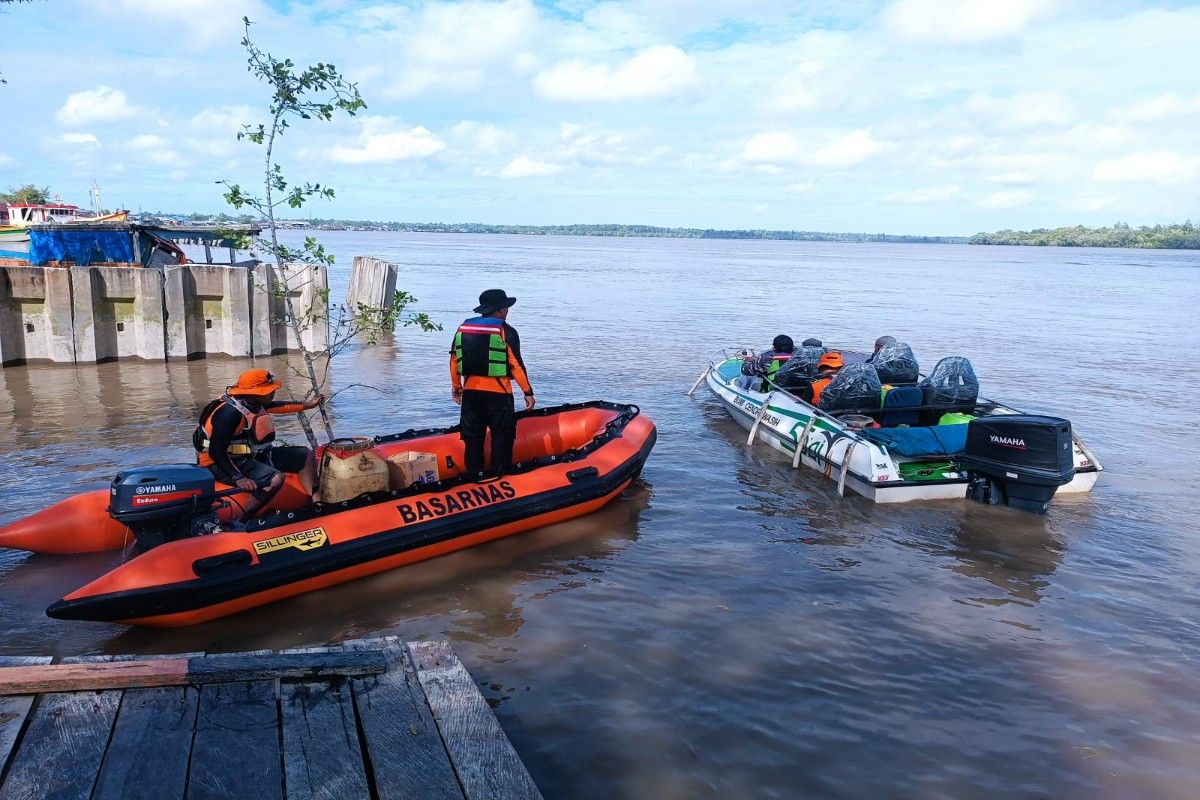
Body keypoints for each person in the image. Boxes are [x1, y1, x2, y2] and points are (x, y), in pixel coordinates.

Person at [194, 369, 324, 521]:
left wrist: (308, 405)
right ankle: (242, 519)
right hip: (217, 462)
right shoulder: (230, 414)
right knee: (275, 479)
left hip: (249, 455)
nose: (273, 392)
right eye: (269, 390)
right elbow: (216, 452)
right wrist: (238, 477)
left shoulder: (253, 403)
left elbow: (281, 406)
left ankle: (316, 504)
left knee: (305, 455)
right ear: (255, 393)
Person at [450, 289, 535, 474]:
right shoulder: (506, 331)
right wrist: (527, 392)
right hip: (499, 395)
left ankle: (473, 477)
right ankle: (500, 477)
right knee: (501, 439)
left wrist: (457, 387)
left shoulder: (462, 328)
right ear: (499, 310)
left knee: (473, 439)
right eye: (505, 308)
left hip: (471, 394)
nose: (507, 311)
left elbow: (454, 360)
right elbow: (516, 365)